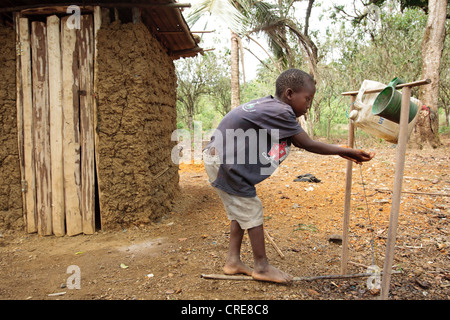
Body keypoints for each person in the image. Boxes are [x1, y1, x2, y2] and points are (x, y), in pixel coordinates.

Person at [203, 69, 375, 284]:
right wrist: (346, 150)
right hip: (225, 162)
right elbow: (307, 143)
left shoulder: (272, 107)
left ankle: (233, 261)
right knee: (251, 207)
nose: (309, 105)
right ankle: (262, 266)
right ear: (290, 93)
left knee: (240, 210)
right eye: (307, 99)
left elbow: (294, 140)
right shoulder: (282, 111)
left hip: (219, 157)